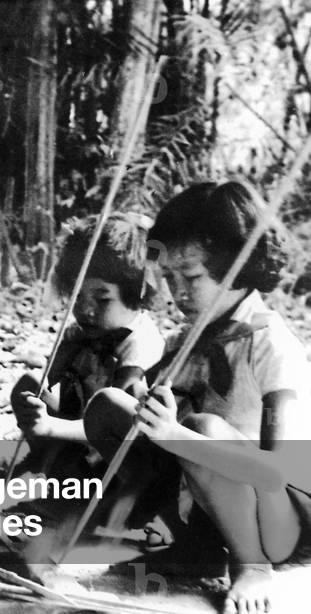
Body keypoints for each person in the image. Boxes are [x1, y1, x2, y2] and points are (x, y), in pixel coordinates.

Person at [85, 182, 311, 614]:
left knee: (200, 428)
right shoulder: (184, 343)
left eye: (190, 277)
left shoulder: (271, 345)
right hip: (211, 503)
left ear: (237, 268)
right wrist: (146, 410)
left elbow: (278, 472)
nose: (177, 292)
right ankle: (189, 543)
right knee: (110, 408)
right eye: (168, 278)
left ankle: (252, 567)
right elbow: (145, 425)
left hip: (281, 523)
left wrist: (176, 436)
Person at [10, 212, 165, 485]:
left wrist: (51, 426)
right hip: (75, 435)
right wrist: (36, 400)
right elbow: (47, 379)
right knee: (27, 383)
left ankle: (84, 486)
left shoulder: (140, 343)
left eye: (102, 299)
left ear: (137, 295)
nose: (84, 309)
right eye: (77, 296)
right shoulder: (78, 333)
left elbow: (115, 422)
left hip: (117, 450)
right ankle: (48, 464)